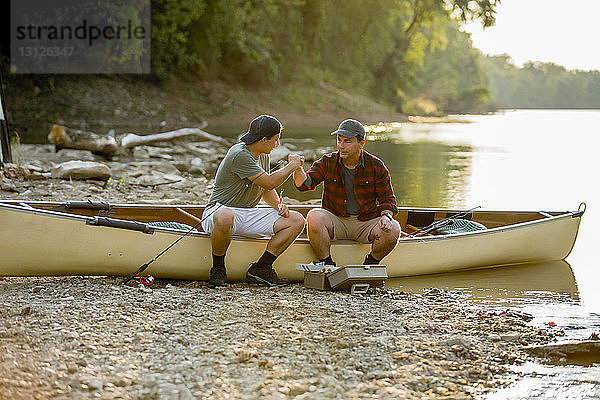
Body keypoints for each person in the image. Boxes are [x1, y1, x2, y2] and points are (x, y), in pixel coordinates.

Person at [201, 115, 305, 287]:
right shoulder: (239, 154)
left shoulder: (262, 153)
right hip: (219, 211)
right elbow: (271, 181)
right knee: (226, 216)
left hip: (247, 214)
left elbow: (265, 188)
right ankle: (218, 268)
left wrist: (278, 206)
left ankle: (261, 268)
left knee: (296, 220)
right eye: (276, 140)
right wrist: (292, 166)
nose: (277, 144)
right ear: (264, 139)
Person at [293, 118, 400, 266]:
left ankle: (371, 263)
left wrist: (386, 217)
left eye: (347, 141)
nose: (341, 146)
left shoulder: (376, 166)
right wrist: (297, 169)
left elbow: (387, 199)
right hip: (337, 221)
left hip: (366, 223)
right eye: (339, 140)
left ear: (361, 143)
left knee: (394, 228)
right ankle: (327, 264)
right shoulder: (328, 162)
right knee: (314, 217)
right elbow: (303, 185)